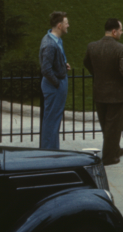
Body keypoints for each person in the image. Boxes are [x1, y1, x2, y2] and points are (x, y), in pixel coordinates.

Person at [83, 17, 123, 163]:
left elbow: (86, 62)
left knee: (106, 124)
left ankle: (114, 149)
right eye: (120, 30)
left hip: (99, 91)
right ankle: (110, 156)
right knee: (114, 125)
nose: (121, 33)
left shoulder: (92, 46)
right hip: (115, 94)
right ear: (114, 31)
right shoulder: (120, 48)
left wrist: (97, 75)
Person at [38, 11, 71, 150]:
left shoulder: (55, 40)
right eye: (66, 23)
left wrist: (63, 64)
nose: (68, 25)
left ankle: (52, 151)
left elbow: (52, 62)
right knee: (52, 121)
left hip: (56, 83)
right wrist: (57, 83)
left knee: (54, 120)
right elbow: (46, 69)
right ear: (59, 25)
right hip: (54, 86)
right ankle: (48, 153)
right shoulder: (50, 44)